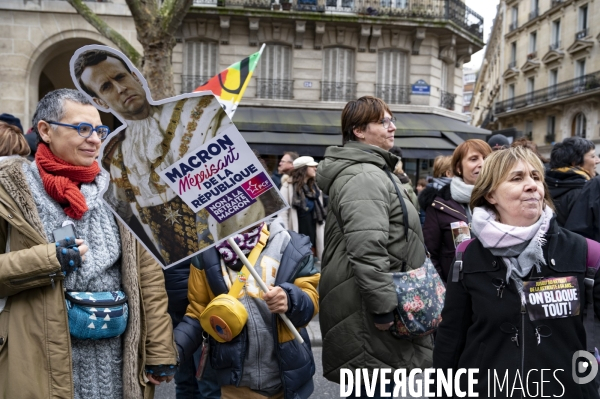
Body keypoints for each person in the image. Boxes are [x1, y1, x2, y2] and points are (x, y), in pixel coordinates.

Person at [0, 89, 177, 398]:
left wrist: (159, 350)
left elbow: (148, 277)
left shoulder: (123, 190)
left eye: (99, 130)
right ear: (45, 130)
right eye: (82, 129)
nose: (95, 139)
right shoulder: (10, 189)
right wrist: (49, 260)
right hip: (41, 365)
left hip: (117, 370)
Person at [73, 47, 268, 265]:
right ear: (100, 102)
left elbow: (247, 192)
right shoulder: (115, 158)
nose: (120, 88)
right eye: (106, 87)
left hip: (235, 255)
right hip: (172, 274)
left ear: (136, 77)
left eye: (121, 77)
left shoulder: (200, 114)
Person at [433, 146, 600, 398]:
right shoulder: (468, 256)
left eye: (536, 177)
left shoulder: (585, 252)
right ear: (490, 194)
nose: (532, 185)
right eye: (517, 178)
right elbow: (451, 336)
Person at [316, 96, 432, 396]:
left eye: (391, 120)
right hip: (369, 308)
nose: (392, 127)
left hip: (373, 300)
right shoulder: (365, 176)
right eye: (383, 122)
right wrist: (383, 309)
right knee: (374, 386)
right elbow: (367, 247)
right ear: (358, 131)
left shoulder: (375, 171)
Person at [173, 220, 320, 399]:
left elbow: (311, 299)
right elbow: (197, 314)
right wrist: (171, 352)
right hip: (236, 385)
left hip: (287, 380)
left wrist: (291, 299)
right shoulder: (205, 255)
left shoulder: (289, 244)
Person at [421, 140, 492, 282]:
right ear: (459, 168)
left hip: (495, 291)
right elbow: (429, 254)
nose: (482, 163)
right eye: (473, 159)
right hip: (457, 291)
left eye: (486, 158)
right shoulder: (440, 204)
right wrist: (446, 289)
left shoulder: (503, 199)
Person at [277, 156, 325, 260]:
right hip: (297, 231)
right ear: (303, 169)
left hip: (313, 230)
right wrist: (286, 233)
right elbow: (283, 213)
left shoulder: (315, 187)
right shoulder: (287, 186)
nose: (315, 168)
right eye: (312, 166)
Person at [545, 137, 599, 227]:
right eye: (592, 156)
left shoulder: (544, 185)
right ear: (575, 162)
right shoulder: (585, 191)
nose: (598, 161)